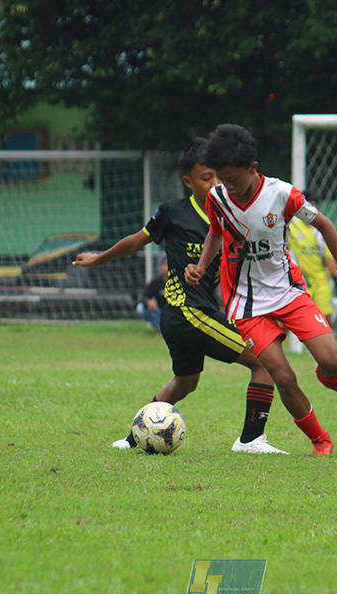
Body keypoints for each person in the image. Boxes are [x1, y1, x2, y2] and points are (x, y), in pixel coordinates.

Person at [73, 138, 287, 454]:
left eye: (218, 176)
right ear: (188, 181)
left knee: (186, 383)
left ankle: (132, 440)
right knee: (265, 362)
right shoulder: (173, 213)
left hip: (187, 315)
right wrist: (98, 257)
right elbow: (135, 242)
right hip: (188, 313)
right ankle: (251, 440)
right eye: (205, 178)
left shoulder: (232, 215)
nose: (215, 184)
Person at [185, 124, 337, 456]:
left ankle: (333, 379)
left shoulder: (282, 194)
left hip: (288, 291)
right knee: (282, 375)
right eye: (222, 180)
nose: (228, 187)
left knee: (331, 361)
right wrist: (202, 265)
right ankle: (320, 439)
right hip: (245, 303)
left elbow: (325, 225)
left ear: (253, 169)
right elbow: (215, 233)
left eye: (234, 179)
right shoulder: (218, 198)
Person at [285, 189, 337, 353]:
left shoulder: (320, 231)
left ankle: (323, 351)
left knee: (326, 320)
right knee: (293, 320)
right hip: (301, 283)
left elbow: (329, 259)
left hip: (321, 281)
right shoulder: (293, 228)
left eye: (314, 206)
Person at [136, 255, 168, 332]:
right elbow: (144, 296)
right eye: (165, 264)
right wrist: (148, 301)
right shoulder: (156, 281)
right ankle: (162, 330)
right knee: (141, 308)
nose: (167, 267)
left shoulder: (178, 281)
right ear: (161, 266)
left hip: (175, 313)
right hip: (161, 312)